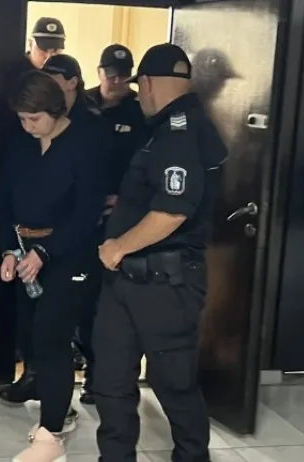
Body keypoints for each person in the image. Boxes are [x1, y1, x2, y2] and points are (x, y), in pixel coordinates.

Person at [92, 43, 228, 462]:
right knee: (111, 382)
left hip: (165, 285)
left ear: (148, 83)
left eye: (139, 87)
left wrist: (118, 246)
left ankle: (192, 457)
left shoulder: (180, 132)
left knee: (174, 384)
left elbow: (173, 210)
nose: (138, 96)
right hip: (128, 279)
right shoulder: (167, 127)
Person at [0, 70, 106, 462]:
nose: (28, 126)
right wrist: (9, 250)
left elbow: (87, 213)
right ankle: (60, 408)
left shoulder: (85, 144)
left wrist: (45, 252)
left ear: (56, 110)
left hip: (70, 251)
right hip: (25, 249)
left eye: (35, 119)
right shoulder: (20, 143)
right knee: (29, 333)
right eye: (22, 119)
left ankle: (51, 434)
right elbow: (6, 199)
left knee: (52, 334)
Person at [75, 44, 150, 405]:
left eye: (124, 75)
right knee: (84, 300)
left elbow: (147, 166)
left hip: (122, 221)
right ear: (100, 72)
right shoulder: (82, 103)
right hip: (81, 218)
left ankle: (113, 380)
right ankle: (89, 370)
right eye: (112, 74)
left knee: (117, 304)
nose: (118, 81)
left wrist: (124, 200)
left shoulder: (140, 111)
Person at [0, 17, 67, 225]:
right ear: (30, 44)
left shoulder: (63, 76)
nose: (49, 56)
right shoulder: (11, 79)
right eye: (44, 50)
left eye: (55, 51)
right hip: (11, 168)